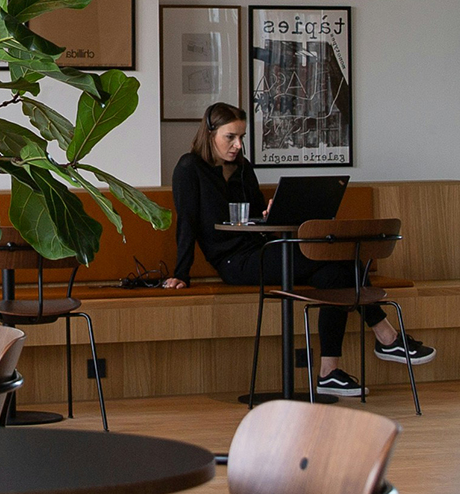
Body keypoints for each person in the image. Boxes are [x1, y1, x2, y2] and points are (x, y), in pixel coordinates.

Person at [162, 103, 433, 397]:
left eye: (241, 137)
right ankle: (387, 336)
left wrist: (270, 213)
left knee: (336, 272)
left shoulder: (243, 167)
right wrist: (181, 274)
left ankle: (330, 373)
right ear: (210, 132)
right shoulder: (189, 168)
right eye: (231, 137)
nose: (238, 145)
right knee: (334, 263)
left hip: (263, 248)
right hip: (233, 261)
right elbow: (186, 223)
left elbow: (255, 214)